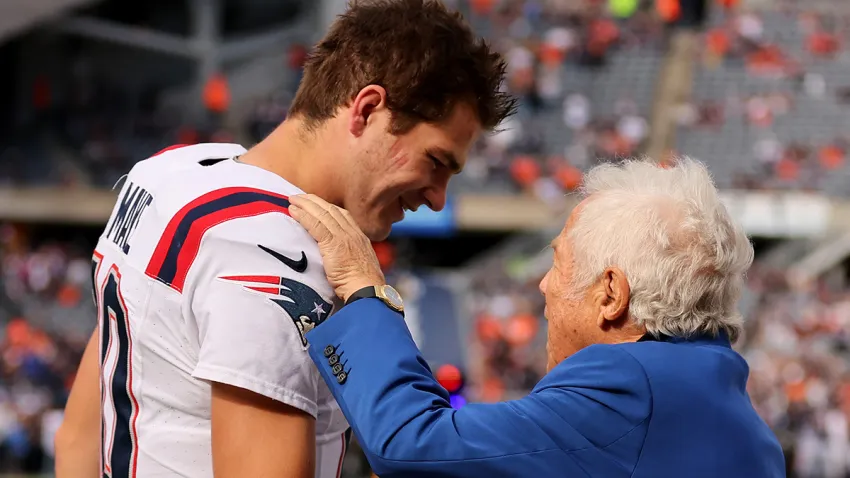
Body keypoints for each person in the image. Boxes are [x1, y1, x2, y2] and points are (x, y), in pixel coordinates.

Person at [53, 1, 516, 476]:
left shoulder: (171, 171)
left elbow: (78, 442)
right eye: (436, 161)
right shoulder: (277, 252)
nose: (438, 198)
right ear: (368, 109)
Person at [286, 158, 787, 478]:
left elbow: (410, 442)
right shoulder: (743, 425)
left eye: (558, 263)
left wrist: (365, 291)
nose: (545, 285)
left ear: (611, 294)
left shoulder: (632, 386)